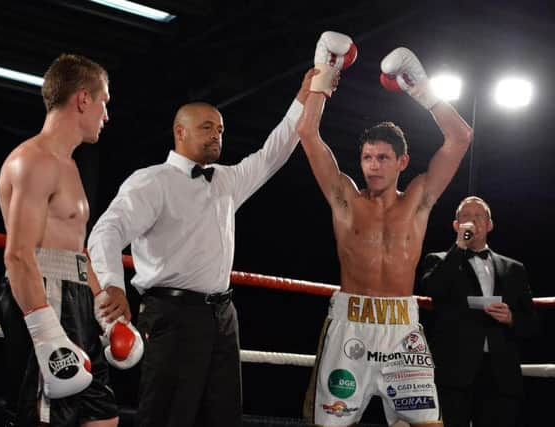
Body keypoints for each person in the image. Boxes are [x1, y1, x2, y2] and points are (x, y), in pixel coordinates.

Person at [86, 60, 326, 426]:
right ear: (180, 132)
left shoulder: (226, 181)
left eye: (220, 129)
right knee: (168, 416)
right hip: (172, 314)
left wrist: (304, 97)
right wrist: (112, 287)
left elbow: (272, 154)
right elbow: (106, 233)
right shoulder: (153, 182)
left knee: (223, 416)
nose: (216, 135)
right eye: (206, 128)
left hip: (223, 316)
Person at [297, 32, 474, 427]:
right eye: (366, 157)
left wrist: (422, 89)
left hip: (402, 333)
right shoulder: (345, 199)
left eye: (382, 158)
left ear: (402, 161)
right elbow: (308, 134)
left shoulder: (418, 200)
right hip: (350, 326)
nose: (372, 166)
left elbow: (461, 136)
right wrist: (325, 72)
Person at [0, 53, 141, 427]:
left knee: (103, 417)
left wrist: (101, 306)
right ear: (83, 99)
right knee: (45, 418)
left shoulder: (69, 165)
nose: (106, 116)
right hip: (43, 295)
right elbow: (18, 255)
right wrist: (46, 332)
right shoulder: (33, 161)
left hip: (74, 295)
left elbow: (75, 250)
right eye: (104, 103)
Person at [419, 196, 539, 427]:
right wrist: (460, 246)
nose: (472, 222)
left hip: (500, 374)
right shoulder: (440, 260)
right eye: (466, 217)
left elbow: (532, 323)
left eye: (479, 216)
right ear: (456, 225)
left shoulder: (514, 269)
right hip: (455, 371)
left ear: (490, 224)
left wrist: (512, 318)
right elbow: (435, 288)